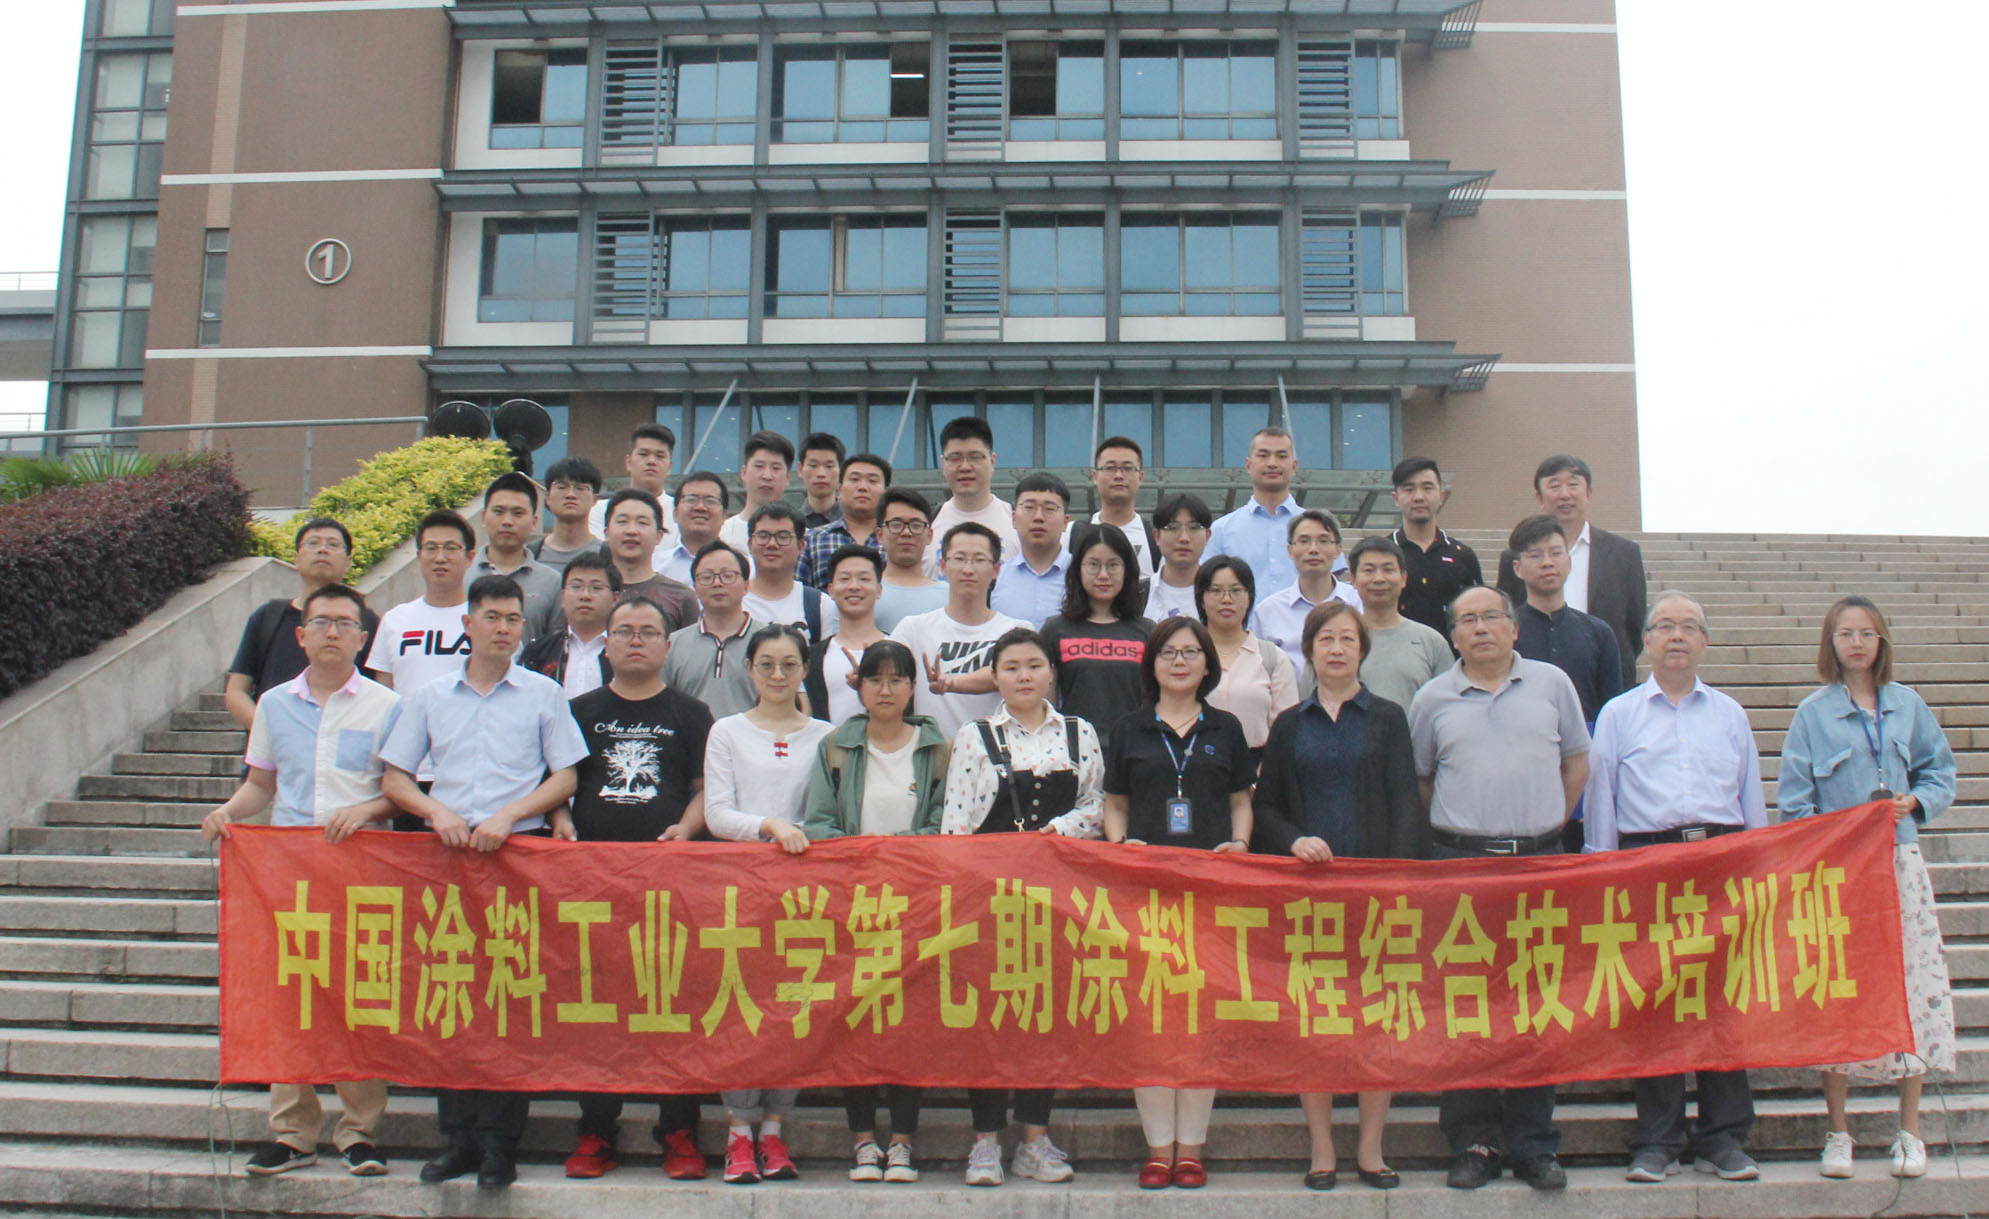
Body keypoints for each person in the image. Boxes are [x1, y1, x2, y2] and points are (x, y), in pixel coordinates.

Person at [378, 574, 588, 1190]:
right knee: (450, 995)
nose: (503, 628)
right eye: (491, 617)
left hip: (515, 859)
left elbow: (566, 777)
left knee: (509, 999)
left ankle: (500, 1145)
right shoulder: (429, 697)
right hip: (446, 860)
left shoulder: (543, 693)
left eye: (512, 619)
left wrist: (510, 815)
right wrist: (434, 811)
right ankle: (458, 1141)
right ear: (467, 624)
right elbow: (395, 777)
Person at [201, 583, 397, 1179]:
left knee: (358, 997)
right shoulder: (273, 705)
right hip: (288, 874)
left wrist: (365, 811)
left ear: (364, 638)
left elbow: (400, 790)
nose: (333, 632)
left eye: (345, 623)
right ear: (301, 635)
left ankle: (360, 1132)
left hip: (361, 871)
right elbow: (260, 784)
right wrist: (227, 813)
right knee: (291, 999)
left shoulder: (387, 706)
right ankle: (292, 1134)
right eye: (322, 622)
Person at [1409, 584, 1589, 1193]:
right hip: (1461, 866)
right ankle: (1474, 1140)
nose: (1481, 628)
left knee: (1537, 1002)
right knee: (1465, 1005)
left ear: (1515, 628)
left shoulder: (1552, 684)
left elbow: (1576, 763)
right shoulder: (1433, 698)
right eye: (1468, 620)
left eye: (1492, 617)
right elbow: (1423, 780)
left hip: (1539, 863)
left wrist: (1547, 824)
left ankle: (1535, 1142)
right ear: (1453, 636)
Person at [1584, 592, 1766, 1184]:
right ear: (1647, 641)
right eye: (1665, 626)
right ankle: (1657, 1139)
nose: (1677, 636)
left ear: (1705, 641)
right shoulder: (1620, 714)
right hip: (1648, 864)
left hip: (1720, 860)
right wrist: (1603, 870)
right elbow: (1602, 796)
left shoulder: (1729, 713)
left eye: (1689, 627)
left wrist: (1756, 867)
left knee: (1720, 999)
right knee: (1654, 999)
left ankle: (1723, 1137)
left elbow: (1750, 797)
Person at [1779, 596, 1958, 1182]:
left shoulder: (1908, 706)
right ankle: (1839, 1132)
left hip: (1899, 860)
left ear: (1882, 641)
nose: (1856, 643)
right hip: (1839, 871)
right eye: (1845, 634)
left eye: (1867, 633)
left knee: (1913, 986)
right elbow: (1795, 801)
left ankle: (1910, 1130)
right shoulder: (1812, 714)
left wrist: (1916, 802)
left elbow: (1941, 772)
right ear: (1829, 643)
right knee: (1837, 989)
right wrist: (1828, 841)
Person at [1253, 599, 1423, 1192]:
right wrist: (1293, 840)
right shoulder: (1289, 724)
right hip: (1310, 897)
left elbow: (1406, 804)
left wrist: (1397, 882)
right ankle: (1322, 1147)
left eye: (1348, 639)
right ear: (1309, 650)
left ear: (1362, 650)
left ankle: (1371, 1148)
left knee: (1376, 1019)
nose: (1336, 648)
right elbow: (1266, 807)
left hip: (1375, 895)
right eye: (1325, 639)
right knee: (1316, 1021)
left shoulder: (1388, 718)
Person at [559, 593, 715, 1182]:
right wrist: (561, 822)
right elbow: (560, 783)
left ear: (667, 646)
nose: (635, 641)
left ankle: (678, 1128)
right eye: (624, 631)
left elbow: (705, 788)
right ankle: (597, 1128)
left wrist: (687, 829)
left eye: (648, 632)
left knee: (674, 1002)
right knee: (599, 1006)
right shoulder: (579, 711)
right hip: (592, 883)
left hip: (669, 882)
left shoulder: (691, 713)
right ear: (607, 643)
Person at [941, 627, 1102, 1187]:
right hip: (988, 898)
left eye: (1034, 665)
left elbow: (1098, 804)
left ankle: (1035, 1138)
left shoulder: (1079, 732)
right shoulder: (974, 735)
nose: (1024, 676)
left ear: (1051, 672)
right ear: (995, 677)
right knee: (987, 1019)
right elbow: (956, 824)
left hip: (1058, 898)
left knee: (1044, 1017)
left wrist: (1057, 831)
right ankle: (985, 1141)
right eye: (1010, 667)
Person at [1101, 617, 1252, 1191]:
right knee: (1151, 1020)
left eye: (1191, 652)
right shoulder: (1130, 728)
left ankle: (1191, 1149)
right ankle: (1157, 1148)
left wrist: (1240, 845)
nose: (1180, 661)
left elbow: (1240, 800)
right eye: (1168, 652)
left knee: (1199, 1019)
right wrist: (1121, 845)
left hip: (1212, 891)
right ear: (1152, 663)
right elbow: (1115, 802)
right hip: (1145, 893)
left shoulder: (1226, 728)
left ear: (1208, 663)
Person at [801, 639, 947, 1185]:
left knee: (911, 1023)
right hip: (852, 901)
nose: (885, 690)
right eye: (874, 679)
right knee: (854, 1020)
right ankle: (863, 1139)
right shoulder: (837, 745)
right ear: (858, 686)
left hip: (917, 903)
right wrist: (861, 859)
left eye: (896, 679)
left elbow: (943, 822)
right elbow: (818, 821)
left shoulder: (937, 747)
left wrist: (899, 853)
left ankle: (903, 1140)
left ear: (913, 687)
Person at [700, 624, 833, 1185]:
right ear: (749, 669)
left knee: (796, 1009)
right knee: (742, 1008)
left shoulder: (828, 735)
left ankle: (776, 1129)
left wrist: (802, 834)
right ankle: (738, 1131)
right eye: (766, 665)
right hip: (742, 887)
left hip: (806, 891)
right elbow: (717, 813)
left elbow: (831, 812)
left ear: (805, 669)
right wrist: (772, 827)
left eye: (789, 665)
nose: (778, 675)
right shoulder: (727, 731)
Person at [1497, 454, 1644, 686]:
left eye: (1573, 484)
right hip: (1532, 677)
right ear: (1540, 498)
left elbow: (1635, 626)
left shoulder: (1624, 553)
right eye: (1554, 486)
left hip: (1602, 678)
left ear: (1588, 493)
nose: (1565, 494)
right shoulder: (1516, 556)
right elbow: (1507, 615)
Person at [225, 517, 380, 730]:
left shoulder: (367, 622)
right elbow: (236, 690)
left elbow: (379, 691)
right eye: (313, 543)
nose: (322, 550)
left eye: (333, 544)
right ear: (296, 558)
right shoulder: (267, 617)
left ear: (347, 563)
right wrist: (271, 732)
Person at [889, 523, 1026, 741]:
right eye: (959, 559)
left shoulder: (1017, 632)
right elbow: (887, 677)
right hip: (934, 753)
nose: (968, 569)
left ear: (996, 570)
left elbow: (1012, 675)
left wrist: (952, 683)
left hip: (1001, 754)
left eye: (979, 560)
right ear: (943, 566)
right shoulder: (913, 629)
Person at [1040, 523, 1152, 737]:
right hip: (1073, 748)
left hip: (1133, 748)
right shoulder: (1055, 630)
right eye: (1093, 565)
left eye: (1113, 565)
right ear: (1078, 569)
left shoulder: (1147, 631)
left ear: (1127, 569)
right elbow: (1045, 705)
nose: (1103, 575)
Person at [1508, 514, 1622, 723]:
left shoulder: (1599, 633)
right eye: (1535, 555)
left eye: (1556, 553)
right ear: (1517, 568)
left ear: (1569, 562)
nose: (1547, 563)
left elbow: (1612, 707)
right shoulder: (1505, 633)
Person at [1195, 556, 1298, 760]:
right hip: (1195, 764)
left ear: (1249, 597)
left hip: (1258, 766)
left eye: (1236, 591)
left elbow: (1287, 731)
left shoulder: (1272, 658)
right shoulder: (1188, 654)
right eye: (1216, 591)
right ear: (1201, 599)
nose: (1226, 599)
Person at [364, 509, 472, 695]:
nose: (440, 558)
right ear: (419, 556)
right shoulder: (395, 620)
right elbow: (382, 694)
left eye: (450, 548)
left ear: (470, 557)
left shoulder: (486, 619)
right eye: (431, 548)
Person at [659, 542, 766, 719]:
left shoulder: (769, 641)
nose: (717, 583)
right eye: (707, 577)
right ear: (694, 586)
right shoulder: (673, 644)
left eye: (727, 576)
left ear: (746, 585)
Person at [1248, 509, 1361, 673]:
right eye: (1304, 541)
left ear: (1338, 550)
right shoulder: (1268, 612)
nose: (1313, 549)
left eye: (1323, 541)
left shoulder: (1358, 603)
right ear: (1290, 550)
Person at [1349, 536, 1450, 711]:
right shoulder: (1337, 640)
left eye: (1388, 570)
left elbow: (1448, 705)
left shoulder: (1431, 641)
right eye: (1369, 570)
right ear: (1353, 579)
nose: (1379, 579)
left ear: (1403, 578)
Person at [1388, 458, 1482, 637]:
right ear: (1396, 498)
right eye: (1409, 489)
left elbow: (1478, 608)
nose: (1419, 497)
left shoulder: (1463, 555)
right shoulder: (1383, 553)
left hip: (1453, 651)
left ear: (1441, 496)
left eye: (1427, 488)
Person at [1207, 426, 1303, 596]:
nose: (1272, 463)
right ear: (1249, 465)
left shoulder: (1317, 527)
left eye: (1281, 456)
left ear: (1294, 466)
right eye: (1263, 455)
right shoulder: (1221, 530)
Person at [471, 471, 561, 644]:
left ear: (534, 522)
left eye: (517, 513)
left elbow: (554, 645)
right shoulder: (463, 574)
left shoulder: (552, 582)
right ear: (483, 517)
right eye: (498, 511)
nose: (507, 521)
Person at [804, 545, 888, 727]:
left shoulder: (898, 649)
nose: (854, 586)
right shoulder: (812, 657)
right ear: (831, 590)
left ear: (879, 590)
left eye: (864, 579)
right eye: (844, 579)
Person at [522, 549, 619, 697]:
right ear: (562, 596)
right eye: (576, 587)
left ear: (615, 599)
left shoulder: (626, 651)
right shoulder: (538, 652)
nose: (585, 595)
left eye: (596, 588)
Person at [600, 488, 697, 635]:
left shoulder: (681, 597)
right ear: (606, 533)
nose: (631, 531)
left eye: (642, 523)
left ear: (659, 536)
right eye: (622, 522)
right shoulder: (588, 593)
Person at [927, 415, 1020, 566]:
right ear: (943, 463)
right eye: (955, 458)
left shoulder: (1018, 524)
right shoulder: (926, 525)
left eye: (975, 457)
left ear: (992, 461)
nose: (965, 467)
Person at [742, 501, 837, 645]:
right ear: (750, 544)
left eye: (783, 536)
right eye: (763, 536)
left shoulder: (820, 605)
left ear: (801, 546)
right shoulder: (734, 600)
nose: (772, 544)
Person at [988, 472, 1072, 628]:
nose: (1038, 517)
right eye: (1029, 508)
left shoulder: (1082, 577)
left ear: (1065, 522)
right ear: (1014, 518)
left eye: (1049, 509)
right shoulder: (995, 580)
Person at [588, 423, 679, 564]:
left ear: (669, 467)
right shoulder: (598, 511)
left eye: (659, 456)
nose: (651, 461)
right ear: (628, 462)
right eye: (643, 454)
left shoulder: (679, 513)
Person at [1071, 436, 1157, 584]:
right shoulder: (1073, 535)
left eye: (1128, 468)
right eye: (1110, 468)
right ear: (1095, 476)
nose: (1118, 476)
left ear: (1140, 477)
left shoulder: (1156, 538)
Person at [799, 452, 890, 589]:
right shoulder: (812, 540)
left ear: (887, 492)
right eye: (854, 479)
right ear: (840, 490)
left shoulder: (896, 541)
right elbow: (798, 593)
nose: (862, 487)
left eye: (872, 481)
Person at [873, 488, 949, 631]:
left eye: (916, 526)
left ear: (930, 535)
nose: (906, 533)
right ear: (880, 535)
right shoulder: (864, 594)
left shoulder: (950, 597)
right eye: (896, 525)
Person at [719, 430, 795, 549]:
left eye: (776, 468)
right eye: (759, 466)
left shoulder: (801, 536)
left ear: (787, 478)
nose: (767, 476)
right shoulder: (721, 534)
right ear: (743, 472)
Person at [1145, 493, 1212, 621]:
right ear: (1157, 536)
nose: (1184, 538)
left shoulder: (1222, 595)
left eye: (1194, 527)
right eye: (1172, 527)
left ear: (1207, 536)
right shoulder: (1139, 595)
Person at [533, 456, 603, 576]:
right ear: (548, 497)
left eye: (580, 488)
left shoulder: (609, 555)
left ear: (595, 499)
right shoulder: (530, 554)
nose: (570, 495)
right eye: (561, 487)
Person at [661, 470, 732, 585]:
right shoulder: (655, 567)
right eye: (691, 499)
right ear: (675, 514)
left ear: (724, 516)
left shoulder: (745, 569)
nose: (700, 507)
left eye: (710, 501)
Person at [797, 431, 845, 529]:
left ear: (841, 471)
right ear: (800, 470)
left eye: (829, 466)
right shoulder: (791, 524)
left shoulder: (855, 523)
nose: (821, 474)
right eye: (813, 465)